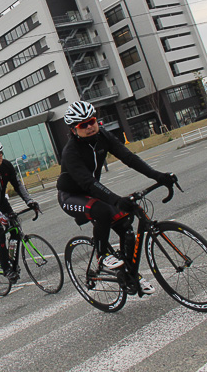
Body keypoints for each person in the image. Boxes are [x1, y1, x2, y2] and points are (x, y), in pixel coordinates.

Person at [56, 101, 178, 295]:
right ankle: (102, 255)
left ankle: (130, 274)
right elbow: (88, 182)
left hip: (91, 192)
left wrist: (158, 175)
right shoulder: (70, 152)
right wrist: (115, 200)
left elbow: (129, 158)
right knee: (103, 211)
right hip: (71, 196)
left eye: (91, 121)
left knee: (126, 228)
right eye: (82, 125)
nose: (89, 127)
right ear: (73, 130)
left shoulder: (103, 136)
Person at [0, 138, 40, 282]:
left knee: (15, 229)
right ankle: (6, 269)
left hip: (1, 202)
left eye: (0, 154)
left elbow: (17, 185)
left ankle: (10, 256)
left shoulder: (7, 166)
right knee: (0, 234)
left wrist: (29, 201)